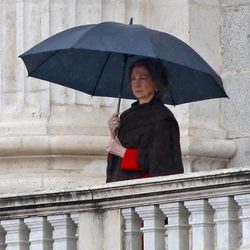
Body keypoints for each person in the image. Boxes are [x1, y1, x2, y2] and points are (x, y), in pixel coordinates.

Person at [106, 58, 183, 182]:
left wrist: (122, 152)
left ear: (156, 83)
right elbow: (114, 162)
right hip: (119, 188)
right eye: (133, 78)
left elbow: (159, 162)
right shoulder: (125, 117)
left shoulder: (163, 119)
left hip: (142, 190)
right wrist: (113, 133)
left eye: (143, 78)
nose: (136, 84)